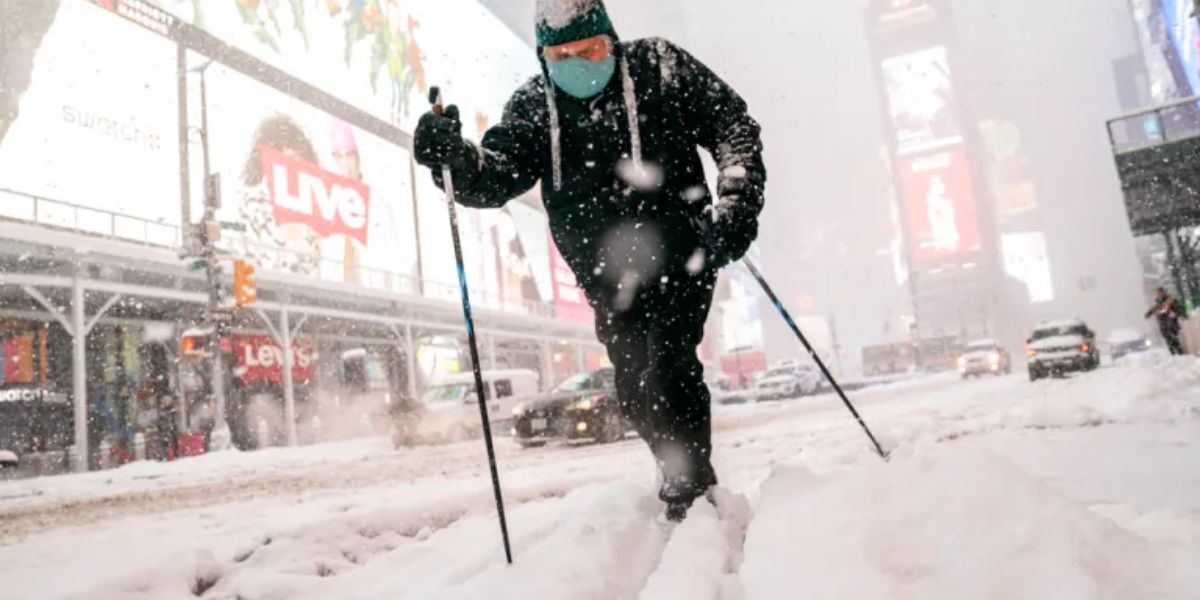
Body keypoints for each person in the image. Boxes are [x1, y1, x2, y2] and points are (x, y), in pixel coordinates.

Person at [413, 0, 766, 521]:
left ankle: (687, 488)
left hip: (682, 254)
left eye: (592, 49)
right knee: (634, 383)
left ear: (612, 40)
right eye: (563, 55)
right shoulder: (536, 106)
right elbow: (496, 174)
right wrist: (456, 161)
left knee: (668, 366)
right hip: (605, 273)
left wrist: (735, 202)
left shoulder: (659, 68)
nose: (580, 63)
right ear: (543, 57)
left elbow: (733, 127)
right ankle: (682, 470)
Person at [1145, 287, 1187, 355]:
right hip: (1164, 325)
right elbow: (1153, 310)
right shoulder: (1158, 304)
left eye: (1161, 293)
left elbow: (1178, 308)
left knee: (1174, 338)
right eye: (1158, 293)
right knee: (1168, 340)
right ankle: (1173, 353)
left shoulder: (1170, 300)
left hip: (1172, 323)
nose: (1160, 294)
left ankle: (1180, 351)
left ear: (1164, 292)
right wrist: (1148, 314)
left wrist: (1179, 314)